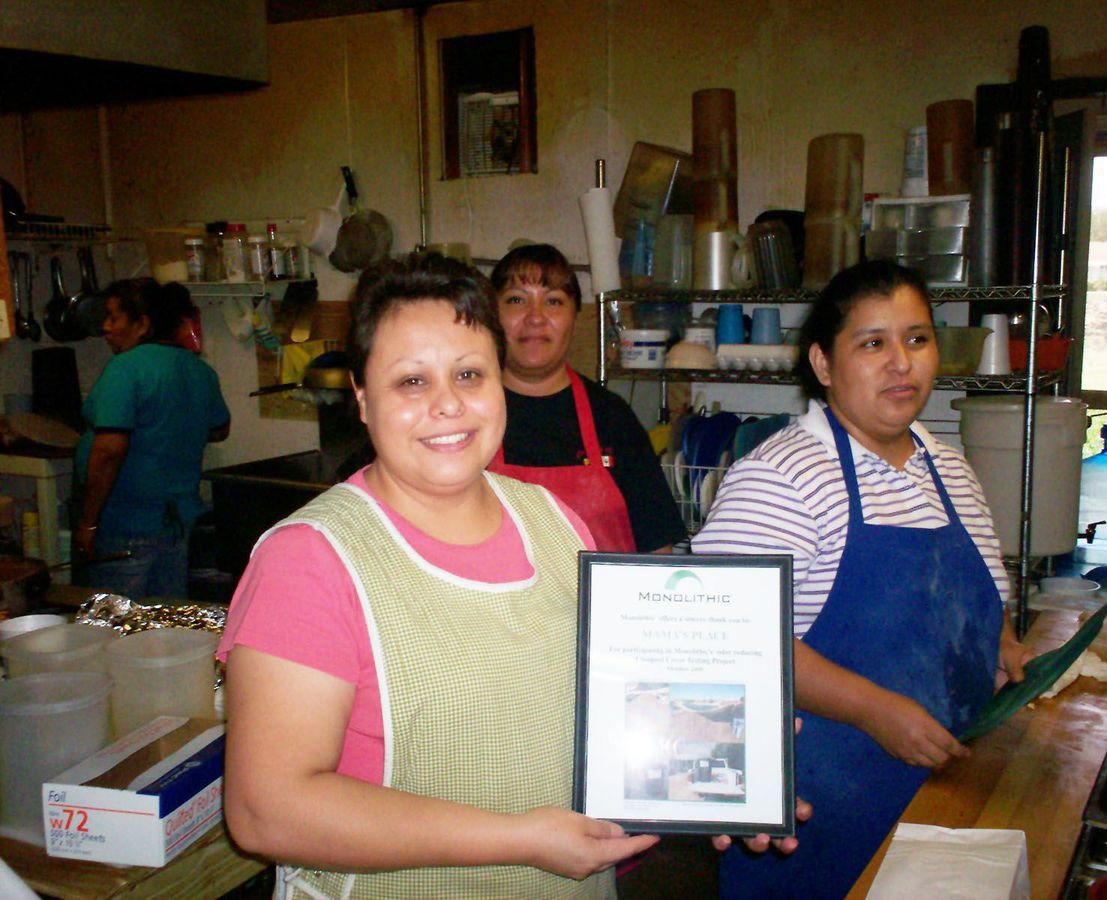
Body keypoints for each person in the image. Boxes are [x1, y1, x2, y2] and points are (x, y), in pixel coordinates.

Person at [218, 252, 660, 898]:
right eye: (412, 383)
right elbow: (266, 809)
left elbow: (608, 704)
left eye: (469, 374)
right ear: (363, 400)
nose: (448, 405)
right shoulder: (311, 560)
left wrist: (728, 762)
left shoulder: (555, 523)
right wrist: (521, 840)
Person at [692, 260, 1031, 899]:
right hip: (817, 806)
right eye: (873, 343)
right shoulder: (782, 477)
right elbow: (726, 640)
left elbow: (982, 601)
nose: (901, 362)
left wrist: (1005, 647)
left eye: (917, 339)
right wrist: (876, 711)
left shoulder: (952, 471)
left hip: (939, 790)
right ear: (823, 365)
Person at [486, 243, 686, 552]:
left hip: (601, 601)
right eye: (516, 300)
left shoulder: (611, 416)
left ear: (574, 316)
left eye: (553, 301)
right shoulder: (466, 413)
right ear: (492, 314)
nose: (535, 317)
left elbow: (657, 547)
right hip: (495, 601)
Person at [72, 277, 230, 600]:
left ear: (142, 324)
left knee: (117, 632)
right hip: (176, 525)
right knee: (162, 631)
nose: (105, 327)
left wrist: (88, 523)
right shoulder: (198, 370)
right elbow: (220, 428)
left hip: (126, 524)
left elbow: (109, 451)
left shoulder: (126, 368)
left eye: (114, 317)